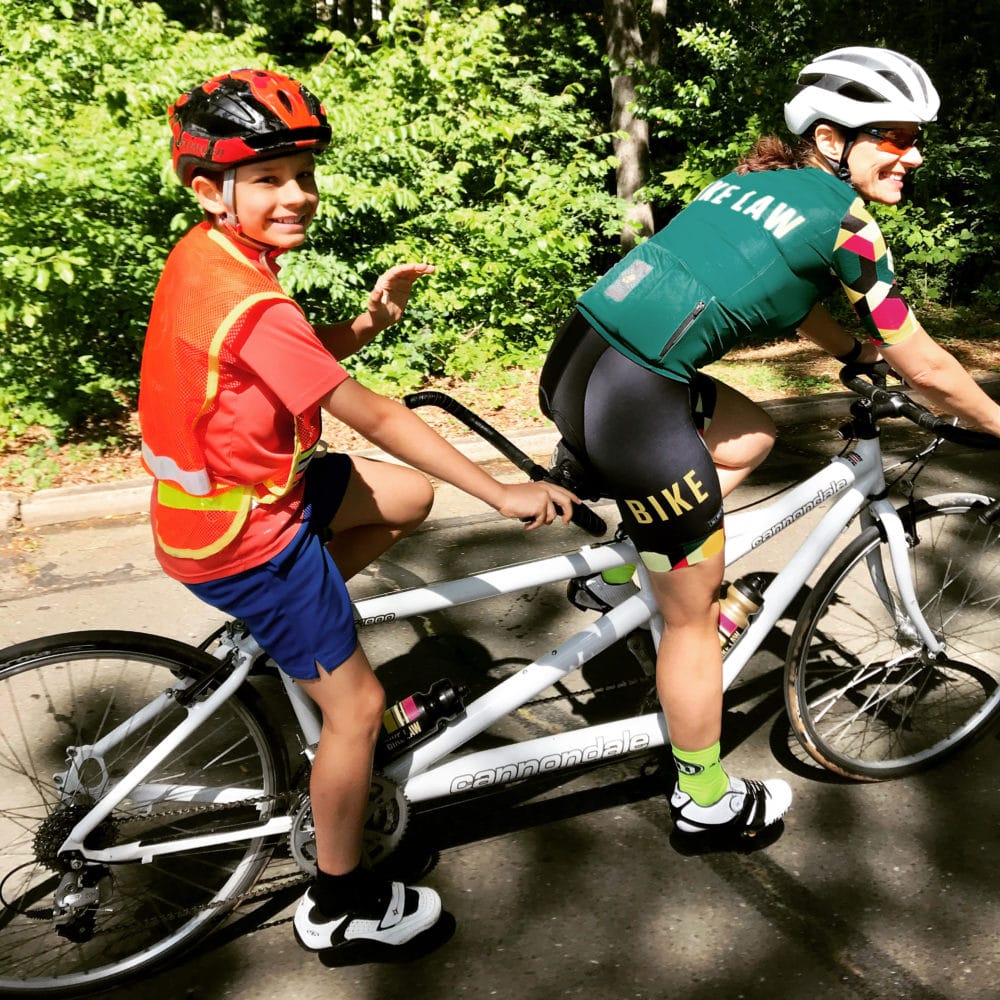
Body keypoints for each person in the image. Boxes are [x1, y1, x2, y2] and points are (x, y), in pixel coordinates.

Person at [138, 68, 578, 955]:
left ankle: (279, 630)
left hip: (246, 501)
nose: (296, 193)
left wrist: (364, 326)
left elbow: (286, 359)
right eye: (268, 178)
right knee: (358, 709)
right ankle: (339, 905)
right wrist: (501, 489)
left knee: (407, 496)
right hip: (245, 536)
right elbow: (368, 411)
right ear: (208, 188)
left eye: (303, 172)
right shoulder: (245, 294)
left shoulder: (216, 256)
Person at [539, 46, 1000, 840]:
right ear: (831, 138)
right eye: (893, 135)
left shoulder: (750, 186)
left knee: (749, 437)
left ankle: (622, 578)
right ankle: (704, 799)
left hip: (578, 361)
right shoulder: (849, 225)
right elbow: (923, 360)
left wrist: (851, 354)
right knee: (693, 621)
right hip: (639, 399)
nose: (913, 154)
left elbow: (789, 303)